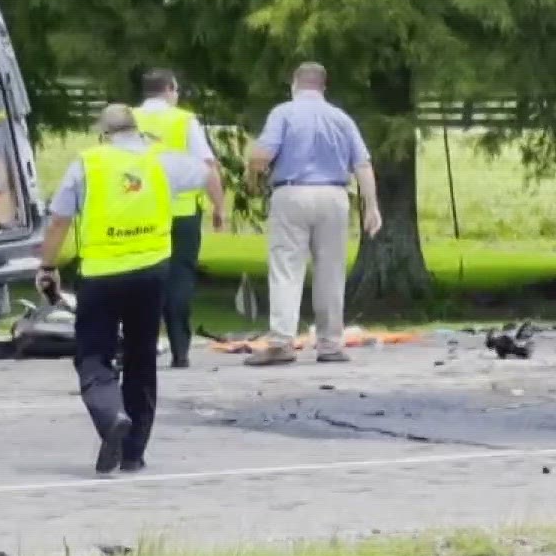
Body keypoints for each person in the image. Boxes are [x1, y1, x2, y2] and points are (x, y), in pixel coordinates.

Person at [35, 104, 210, 475]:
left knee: (93, 355)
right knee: (141, 358)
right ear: (137, 129)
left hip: (101, 276)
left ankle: (110, 414)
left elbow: (59, 222)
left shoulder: (87, 163)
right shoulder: (162, 160)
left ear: (104, 133)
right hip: (151, 273)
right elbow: (203, 172)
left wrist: (48, 267)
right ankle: (133, 453)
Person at [244, 62, 382, 366]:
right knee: (331, 272)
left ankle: (281, 342)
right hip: (334, 195)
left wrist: (254, 182)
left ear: (294, 84)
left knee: (286, 268)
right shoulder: (341, 118)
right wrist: (371, 207)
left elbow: (260, 156)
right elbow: (362, 164)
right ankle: (330, 344)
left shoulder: (283, 113)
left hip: (291, 193)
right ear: (323, 87)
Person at [133, 69, 227, 368]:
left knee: (142, 277)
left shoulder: (128, 119)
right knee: (179, 277)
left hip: (140, 209)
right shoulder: (183, 120)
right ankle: (180, 349)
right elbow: (207, 165)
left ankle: (141, 345)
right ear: (170, 89)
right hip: (182, 211)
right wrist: (219, 206)